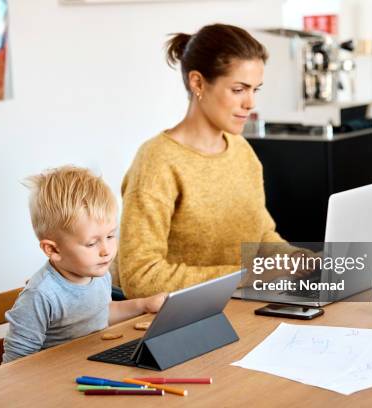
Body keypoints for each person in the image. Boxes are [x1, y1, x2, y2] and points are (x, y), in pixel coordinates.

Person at [119, 24, 308, 299]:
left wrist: (301, 259)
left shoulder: (242, 151)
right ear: (197, 83)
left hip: (239, 307)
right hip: (177, 321)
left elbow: (261, 237)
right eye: (239, 89)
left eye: (256, 89)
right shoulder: (156, 162)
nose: (250, 102)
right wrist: (246, 275)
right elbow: (140, 277)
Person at [2, 166, 166, 363]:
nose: (106, 250)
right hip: (55, 381)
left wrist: (143, 304)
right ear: (53, 250)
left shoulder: (98, 272)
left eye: (111, 236)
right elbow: (15, 364)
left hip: (93, 365)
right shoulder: (41, 295)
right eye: (91, 243)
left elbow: (100, 314)